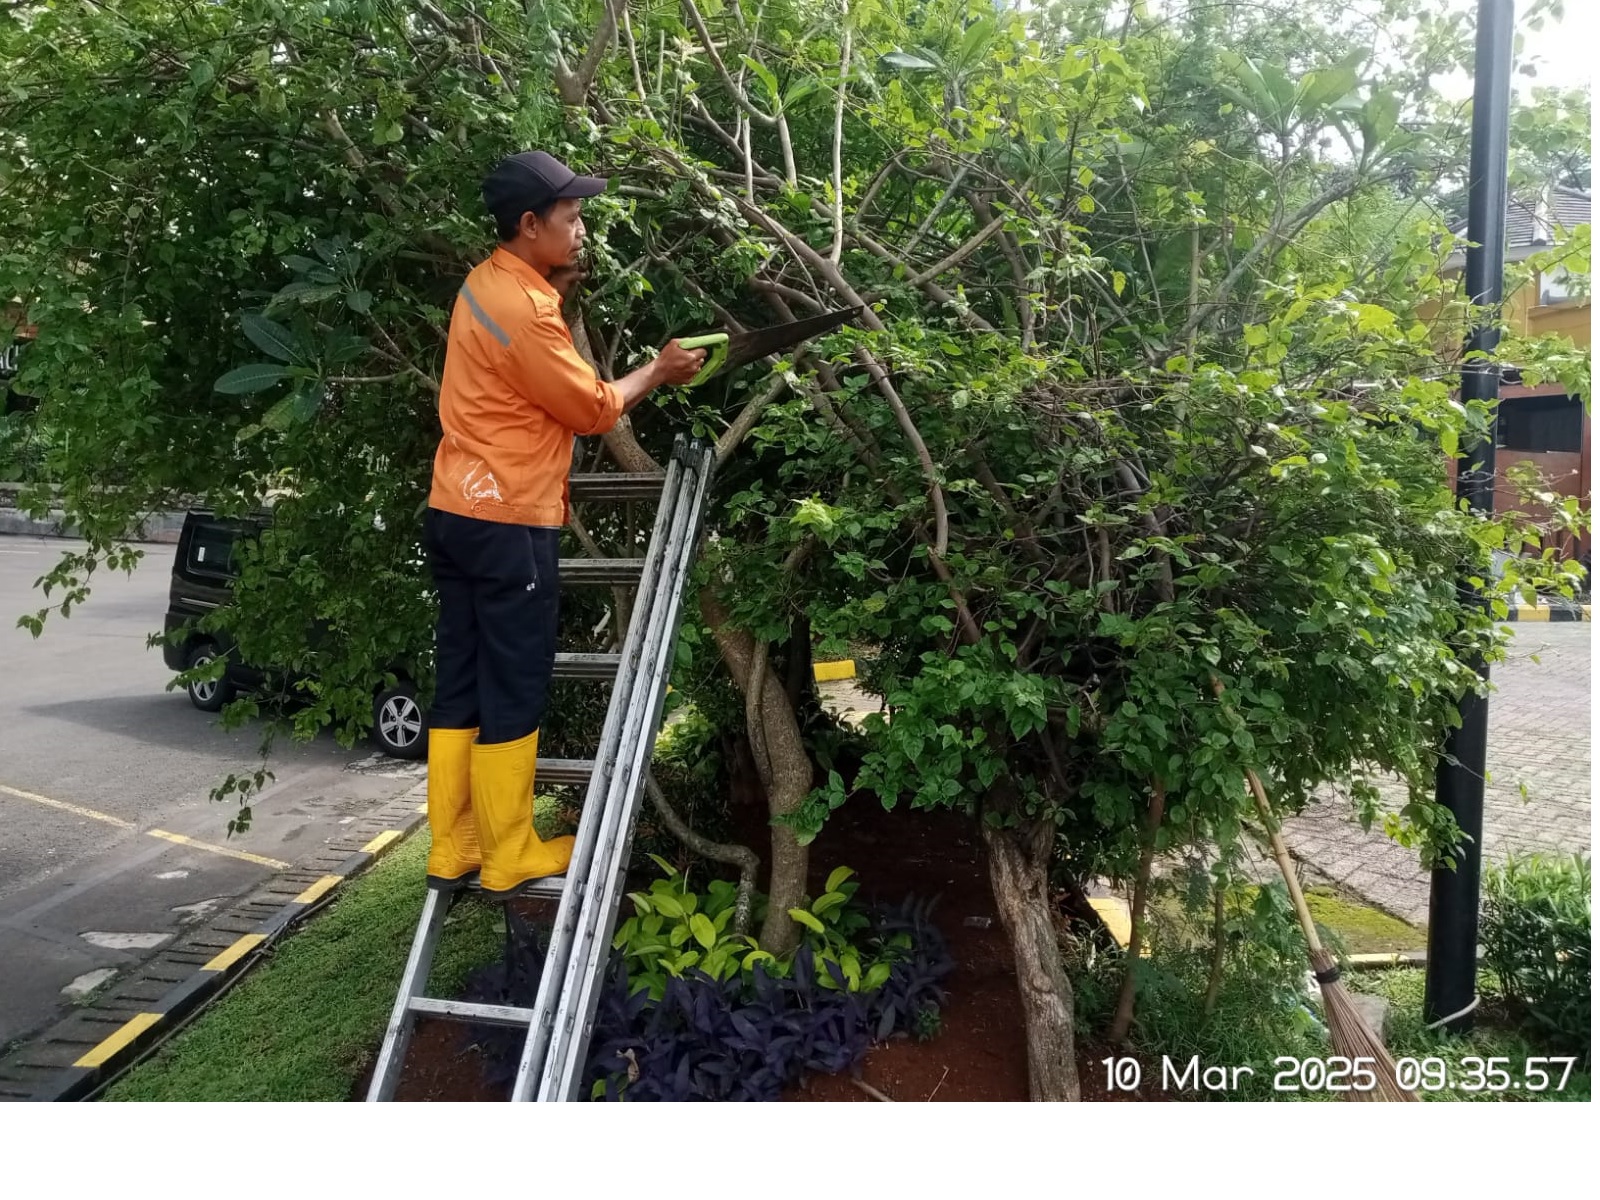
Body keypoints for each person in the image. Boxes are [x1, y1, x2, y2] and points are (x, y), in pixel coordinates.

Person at [423, 150, 705, 895]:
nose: (581, 232)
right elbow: (591, 410)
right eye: (571, 219)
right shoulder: (527, 312)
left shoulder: (484, 285)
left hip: (455, 508)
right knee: (513, 688)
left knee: (461, 684)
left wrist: (555, 290)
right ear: (529, 224)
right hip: (508, 519)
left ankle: (454, 847)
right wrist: (658, 369)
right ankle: (510, 852)